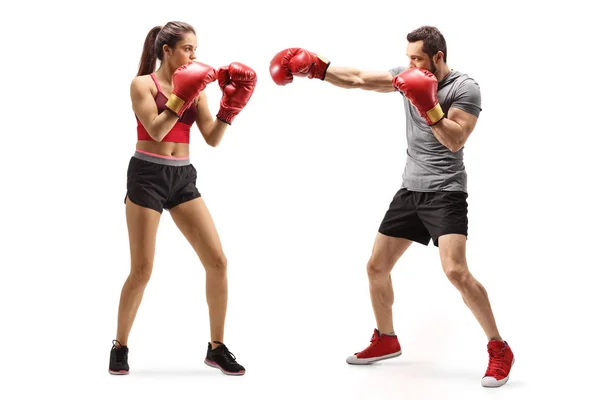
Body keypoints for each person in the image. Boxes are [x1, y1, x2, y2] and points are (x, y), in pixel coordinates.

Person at [269, 26, 515, 388]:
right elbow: (357, 79)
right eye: (408, 58)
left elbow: (455, 139)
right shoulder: (407, 76)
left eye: (417, 59)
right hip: (409, 190)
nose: (410, 65)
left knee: (456, 272)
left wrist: (429, 105)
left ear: (439, 57)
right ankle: (386, 339)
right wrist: (317, 68)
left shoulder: (465, 88)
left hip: (445, 192)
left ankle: (499, 348)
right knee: (376, 267)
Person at [109, 21, 256, 376]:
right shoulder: (142, 84)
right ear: (167, 50)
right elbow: (156, 130)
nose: (194, 55)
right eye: (188, 49)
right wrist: (182, 94)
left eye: (196, 50)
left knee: (217, 261)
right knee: (142, 269)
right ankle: (119, 345)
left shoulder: (198, 87)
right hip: (147, 174)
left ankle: (217, 348)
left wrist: (231, 107)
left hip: (182, 176)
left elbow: (212, 137)